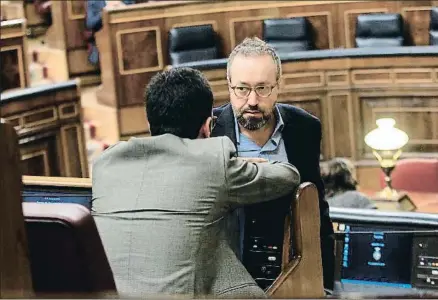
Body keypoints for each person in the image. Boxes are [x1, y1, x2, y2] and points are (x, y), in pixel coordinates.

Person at [91, 67, 301, 298]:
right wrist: (240, 164)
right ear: (207, 126)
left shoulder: (106, 164)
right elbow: (288, 177)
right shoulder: (212, 162)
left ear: (151, 125)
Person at [211, 37, 335, 291]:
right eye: (242, 89)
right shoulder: (208, 130)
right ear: (229, 86)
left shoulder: (305, 128)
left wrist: (326, 283)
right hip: (226, 278)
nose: (253, 101)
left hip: (288, 273)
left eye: (263, 89)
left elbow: (316, 211)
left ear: (278, 86)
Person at [85, 0, 136, 65]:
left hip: (127, 37)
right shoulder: (94, 2)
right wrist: (103, 13)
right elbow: (90, 23)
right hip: (105, 40)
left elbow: (134, 12)